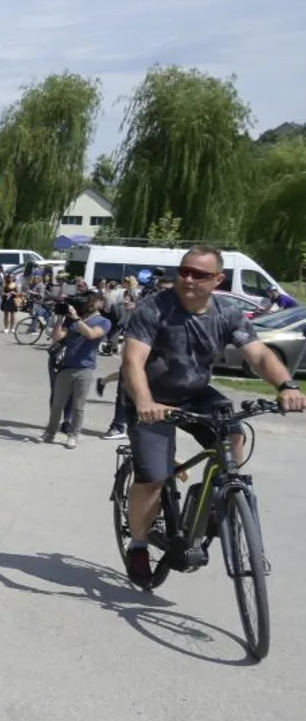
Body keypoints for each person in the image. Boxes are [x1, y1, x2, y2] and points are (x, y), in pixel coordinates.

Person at [119, 245, 305, 588]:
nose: (188, 278)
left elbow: (258, 354)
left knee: (234, 432)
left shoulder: (227, 312)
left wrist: (286, 385)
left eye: (199, 274)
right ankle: (139, 545)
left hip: (195, 393)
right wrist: (145, 402)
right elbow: (133, 362)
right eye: (184, 270)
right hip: (150, 396)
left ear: (217, 279)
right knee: (155, 478)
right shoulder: (154, 309)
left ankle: (219, 497)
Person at [40, 292, 110, 448]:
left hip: (85, 367)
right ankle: (50, 432)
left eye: (92, 301)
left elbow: (91, 334)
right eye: (88, 301)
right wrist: (60, 317)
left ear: (99, 303)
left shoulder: (104, 321)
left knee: (79, 405)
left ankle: (73, 435)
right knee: (57, 403)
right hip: (66, 365)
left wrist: (77, 319)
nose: (89, 304)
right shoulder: (71, 319)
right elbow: (57, 337)